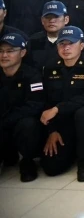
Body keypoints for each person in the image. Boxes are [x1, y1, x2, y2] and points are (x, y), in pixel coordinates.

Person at [40, 26, 84, 181]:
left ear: (81, 46)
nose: (66, 48)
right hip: (63, 121)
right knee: (51, 168)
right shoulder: (50, 67)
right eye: (62, 44)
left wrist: (58, 108)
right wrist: (52, 130)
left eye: (71, 43)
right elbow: (47, 101)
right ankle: (74, 149)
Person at [0, 33, 45, 182]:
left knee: (28, 124)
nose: (4, 55)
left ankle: (27, 162)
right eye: (1, 51)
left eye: (10, 51)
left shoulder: (32, 75)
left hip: (22, 123)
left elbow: (35, 105)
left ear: (23, 53)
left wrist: (7, 119)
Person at [26, 1, 84, 71]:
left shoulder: (78, 37)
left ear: (66, 19)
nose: (51, 20)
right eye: (48, 17)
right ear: (42, 20)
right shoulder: (34, 40)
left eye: (56, 17)